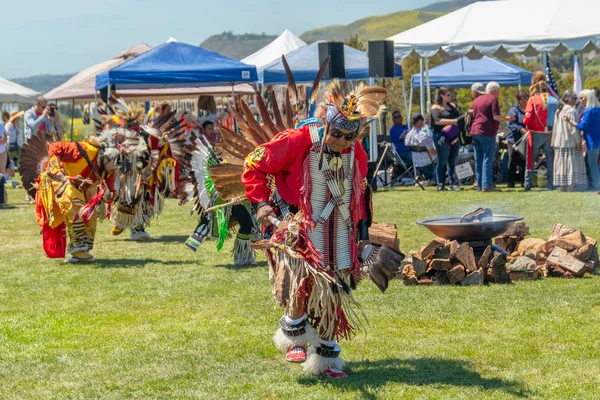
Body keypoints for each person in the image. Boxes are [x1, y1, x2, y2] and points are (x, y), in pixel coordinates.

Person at [242, 80, 388, 379]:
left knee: (333, 288)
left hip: (340, 232)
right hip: (299, 226)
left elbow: (361, 194)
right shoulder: (298, 140)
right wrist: (261, 203)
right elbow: (253, 164)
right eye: (337, 134)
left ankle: (325, 356)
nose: (342, 141)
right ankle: (294, 333)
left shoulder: (355, 152)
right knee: (301, 284)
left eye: (350, 136)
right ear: (326, 125)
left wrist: (362, 237)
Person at [23, 130, 139, 262]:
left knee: (90, 215)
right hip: (59, 180)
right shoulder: (84, 150)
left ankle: (82, 249)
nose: (115, 169)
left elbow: (110, 189)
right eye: (115, 164)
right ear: (106, 157)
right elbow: (54, 147)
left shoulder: (108, 169)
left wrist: (109, 194)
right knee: (75, 207)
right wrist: (57, 170)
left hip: (80, 188)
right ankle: (77, 247)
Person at [471, 82, 514, 192]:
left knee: (479, 158)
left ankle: (480, 185)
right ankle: (487, 185)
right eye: (498, 92)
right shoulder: (492, 99)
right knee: (487, 158)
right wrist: (508, 118)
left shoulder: (477, 100)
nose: (499, 94)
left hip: (475, 130)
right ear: (494, 90)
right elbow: (496, 116)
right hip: (487, 131)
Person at [523, 71, 554, 191]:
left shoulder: (533, 99)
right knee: (550, 158)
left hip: (535, 131)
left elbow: (528, 116)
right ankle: (551, 183)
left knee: (530, 158)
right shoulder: (552, 99)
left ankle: (528, 183)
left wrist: (526, 125)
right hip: (549, 132)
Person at [564, 89, 600, 190]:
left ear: (588, 98)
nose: (580, 100)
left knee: (592, 164)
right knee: (594, 164)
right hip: (597, 140)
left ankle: (596, 185)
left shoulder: (589, 111)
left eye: (581, 98)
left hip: (592, 141)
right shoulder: (598, 109)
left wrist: (569, 121)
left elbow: (582, 126)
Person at [552, 90, 587, 191]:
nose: (576, 101)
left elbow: (555, 127)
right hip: (569, 141)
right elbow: (573, 128)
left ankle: (563, 186)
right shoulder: (570, 111)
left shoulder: (559, 110)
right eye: (575, 98)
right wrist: (578, 141)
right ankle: (571, 185)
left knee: (562, 163)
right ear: (569, 99)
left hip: (559, 141)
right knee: (570, 162)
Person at [430, 86, 463, 191]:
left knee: (452, 160)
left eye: (450, 94)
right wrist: (453, 121)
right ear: (441, 95)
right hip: (441, 136)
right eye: (447, 95)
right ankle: (440, 183)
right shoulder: (436, 108)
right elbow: (437, 121)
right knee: (442, 160)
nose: (450, 96)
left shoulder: (452, 106)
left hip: (453, 136)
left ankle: (452, 182)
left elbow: (459, 117)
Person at [405, 113, 437, 182]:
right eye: (422, 119)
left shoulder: (408, 135)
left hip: (416, 162)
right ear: (419, 121)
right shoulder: (424, 135)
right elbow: (433, 152)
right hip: (428, 161)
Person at [507, 91, 529, 187]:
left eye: (526, 97)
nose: (526, 99)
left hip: (524, 140)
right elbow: (511, 124)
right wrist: (521, 129)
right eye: (524, 98)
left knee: (524, 161)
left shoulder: (529, 110)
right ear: (519, 100)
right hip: (513, 140)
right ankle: (510, 181)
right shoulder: (513, 111)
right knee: (512, 160)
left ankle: (523, 181)